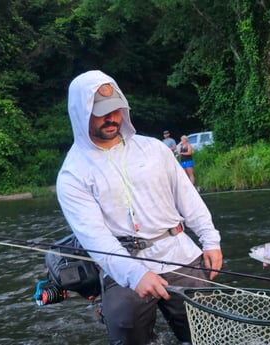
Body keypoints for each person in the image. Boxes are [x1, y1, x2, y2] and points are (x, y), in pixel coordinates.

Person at [56, 70, 223, 345]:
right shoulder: (72, 175)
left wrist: (210, 240)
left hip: (180, 254)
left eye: (115, 109)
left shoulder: (154, 149)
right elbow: (94, 237)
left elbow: (188, 197)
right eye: (100, 112)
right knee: (126, 331)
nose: (111, 118)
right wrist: (136, 275)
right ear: (80, 112)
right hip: (122, 266)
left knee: (207, 335)